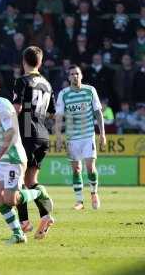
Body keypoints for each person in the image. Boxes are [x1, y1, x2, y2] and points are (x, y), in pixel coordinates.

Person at [0, 71, 52, 244]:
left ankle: (39, 192)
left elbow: (11, 131)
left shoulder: (1, 105)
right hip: (1, 159)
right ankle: (18, 234)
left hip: (12, 158)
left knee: (11, 199)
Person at [12, 46, 55, 239]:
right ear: (40, 61)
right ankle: (45, 215)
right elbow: (52, 113)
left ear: (23, 61)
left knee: (18, 180)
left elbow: (17, 109)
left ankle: (24, 222)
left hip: (26, 135)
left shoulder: (21, 81)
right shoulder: (47, 84)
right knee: (31, 181)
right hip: (43, 135)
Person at [55, 65, 106, 210]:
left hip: (88, 135)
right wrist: (58, 137)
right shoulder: (63, 94)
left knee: (90, 167)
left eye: (77, 73)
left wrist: (102, 134)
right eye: (72, 74)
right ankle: (79, 201)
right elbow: (58, 117)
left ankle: (94, 193)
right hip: (72, 137)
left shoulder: (90, 90)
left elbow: (98, 113)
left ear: (81, 76)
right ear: (68, 77)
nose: (75, 76)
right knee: (76, 169)